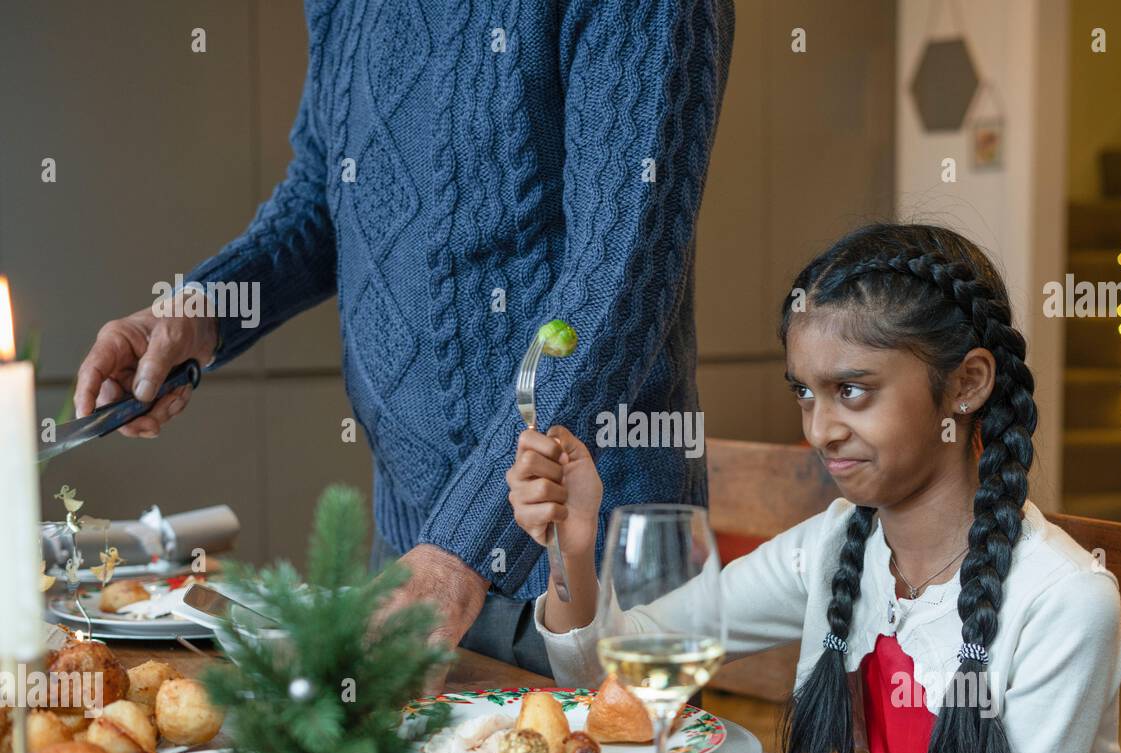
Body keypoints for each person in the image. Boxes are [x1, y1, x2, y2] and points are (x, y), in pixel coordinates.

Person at [71, 1, 735, 677]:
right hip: (409, 563)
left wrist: (462, 550)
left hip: (593, 573)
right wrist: (199, 313)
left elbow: (623, 274)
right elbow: (322, 198)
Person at [506, 222, 1121, 753]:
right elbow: (614, 675)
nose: (819, 431)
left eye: (852, 391)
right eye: (804, 392)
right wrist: (575, 551)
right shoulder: (832, 546)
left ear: (967, 383)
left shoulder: (1065, 601)